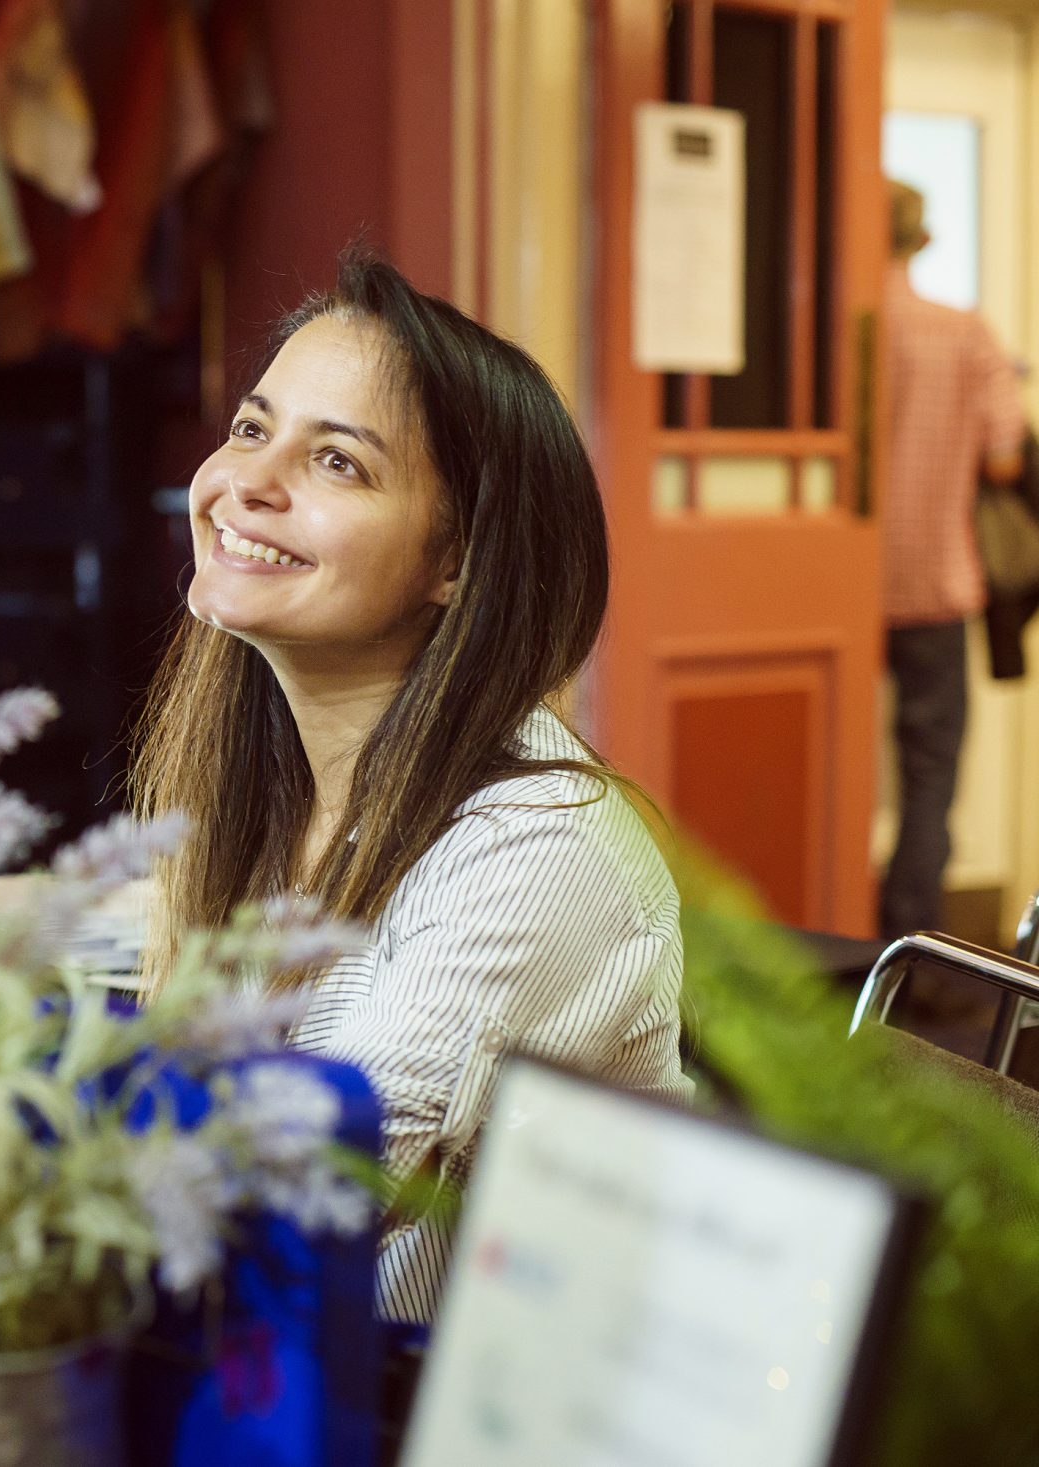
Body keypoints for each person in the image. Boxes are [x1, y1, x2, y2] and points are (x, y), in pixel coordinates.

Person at [132, 252, 687, 1323]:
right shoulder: (268, 784)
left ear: (459, 563)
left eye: (336, 462)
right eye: (253, 428)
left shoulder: (541, 847)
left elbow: (308, 1176)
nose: (246, 481)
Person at [877, 181, 1028, 939]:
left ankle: (818, 936)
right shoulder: (966, 333)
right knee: (928, 776)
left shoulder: (833, 327)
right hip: (936, 583)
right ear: (919, 238)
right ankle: (908, 946)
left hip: (839, 591)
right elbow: (1005, 460)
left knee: (833, 759)